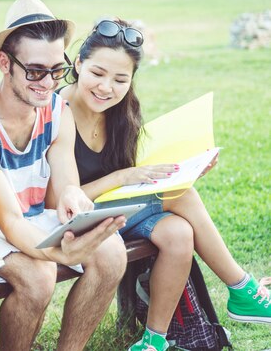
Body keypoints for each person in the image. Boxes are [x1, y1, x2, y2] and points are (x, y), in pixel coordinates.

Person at [58, 18, 271, 351]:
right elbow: (58, 198)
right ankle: (241, 288)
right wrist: (122, 178)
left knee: (178, 233)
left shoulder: (120, 112)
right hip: (73, 219)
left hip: (117, 213)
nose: (106, 88)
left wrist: (188, 167)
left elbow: (141, 168)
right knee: (178, 194)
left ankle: (153, 340)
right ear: (78, 63)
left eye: (120, 79)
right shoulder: (59, 112)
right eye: (97, 74)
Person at [0, 0, 128, 351]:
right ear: (4, 62)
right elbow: (9, 222)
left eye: (58, 70)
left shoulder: (57, 108)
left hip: (26, 217)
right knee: (39, 277)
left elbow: (66, 180)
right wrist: (60, 255)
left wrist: (72, 194)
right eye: (36, 71)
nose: (48, 83)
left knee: (112, 252)